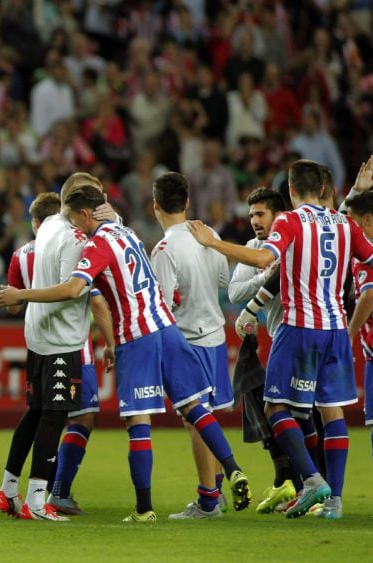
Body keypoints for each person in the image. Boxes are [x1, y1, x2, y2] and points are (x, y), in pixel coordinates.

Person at [0, 183, 251, 523]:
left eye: (74, 221)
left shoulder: (96, 245)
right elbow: (112, 219)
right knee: (194, 407)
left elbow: (73, 289)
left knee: (138, 423)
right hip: (167, 325)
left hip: (136, 335)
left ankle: (144, 509)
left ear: (87, 214)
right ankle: (232, 469)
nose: (73, 228)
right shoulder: (125, 230)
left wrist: (20, 295)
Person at [188, 159, 373, 520]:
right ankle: (334, 502)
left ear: (291, 191)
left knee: (275, 408)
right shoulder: (344, 224)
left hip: (298, 327)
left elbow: (264, 257)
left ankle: (311, 480)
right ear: (324, 190)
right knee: (332, 411)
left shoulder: (290, 221)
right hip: (337, 329)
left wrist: (214, 243)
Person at [0, 172, 119, 522]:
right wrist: (23, 295)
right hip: (62, 341)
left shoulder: (46, 225)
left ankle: (7, 489)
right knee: (54, 416)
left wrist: (24, 298)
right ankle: (35, 501)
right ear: (84, 211)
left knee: (34, 412)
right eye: (96, 211)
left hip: (37, 335)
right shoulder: (76, 240)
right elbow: (70, 290)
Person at [150, 172, 235, 519]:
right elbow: (223, 282)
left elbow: (163, 306)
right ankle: (216, 490)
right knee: (207, 416)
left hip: (187, 341)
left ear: (155, 206)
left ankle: (208, 501)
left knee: (195, 421)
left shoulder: (164, 250)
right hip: (215, 335)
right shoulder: (208, 235)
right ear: (186, 202)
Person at [227, 187, 300, 514]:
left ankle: (303, 481)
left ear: (277, 215)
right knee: (252, 384)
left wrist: (270, 276)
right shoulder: (255, 249)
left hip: (302, 332)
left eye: (261, 214)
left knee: (297, 410)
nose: (254, 221)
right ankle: (287, 476)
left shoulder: (296, 241)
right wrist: (265, 276)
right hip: (277, 338)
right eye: (252, 214)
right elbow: (233, 291)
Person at [339, 191, 373, 518]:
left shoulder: (366, 255)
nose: (349, 229)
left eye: (354, 222)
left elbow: (368, 294)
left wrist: (348, 337)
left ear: (366, 221)